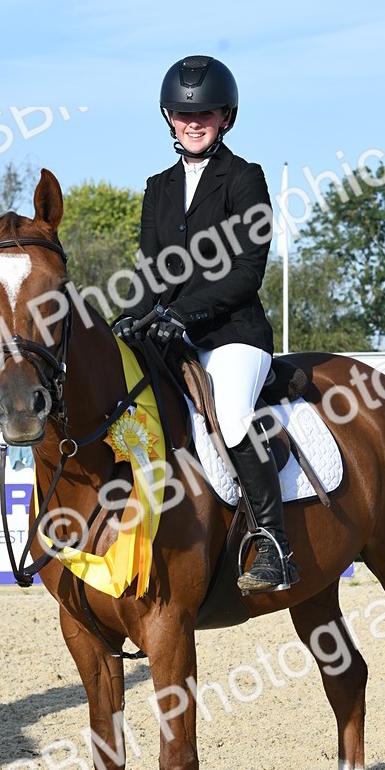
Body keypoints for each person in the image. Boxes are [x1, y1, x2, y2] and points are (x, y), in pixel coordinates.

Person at [112, 54, 298, 593]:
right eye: (182, 114)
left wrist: (183, 313)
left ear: (225, 117)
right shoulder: (158, 186)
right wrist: (131, 318)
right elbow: (152, 271)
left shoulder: (245, 179)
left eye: (206, 113)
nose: (193, 123)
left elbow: (247, 273)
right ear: (169, 118)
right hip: (169, 332)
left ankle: (272, 542)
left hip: (233, 334)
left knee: (234, 416)